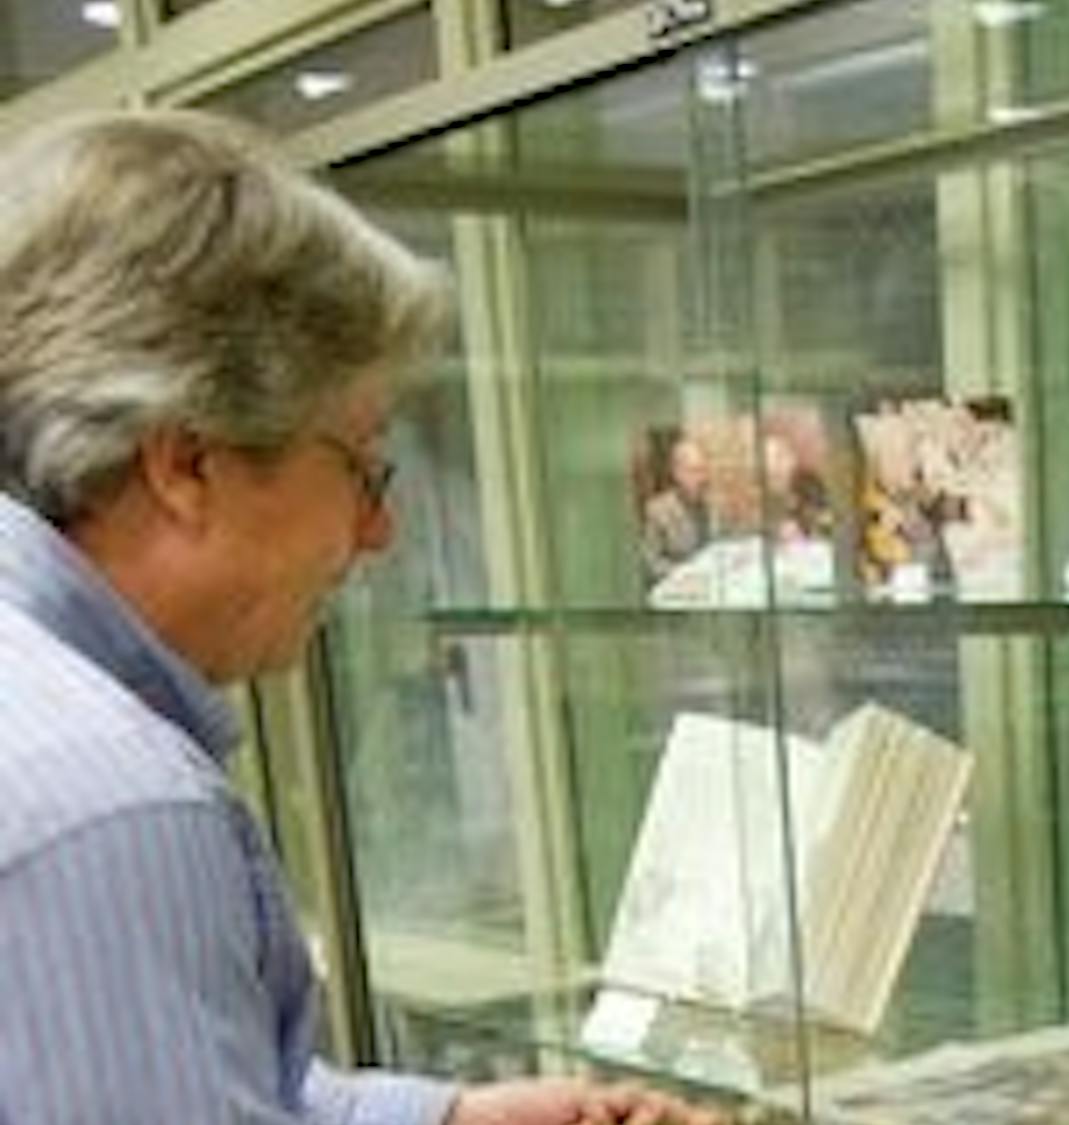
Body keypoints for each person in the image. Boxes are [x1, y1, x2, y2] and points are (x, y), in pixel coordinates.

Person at [0, 110, 720, 1125]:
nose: (378, 531)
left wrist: (451, 1119)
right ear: (186, 463)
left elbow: (175, 1075)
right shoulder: (111, 811)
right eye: (359, 463)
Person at [641, 430, 712, 583]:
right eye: (694, 471)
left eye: (704, 470)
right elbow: (651, 564)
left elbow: (713, 544)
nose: (702, 478)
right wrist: (684, 573)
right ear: (677, 473)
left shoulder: (705, 505)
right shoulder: (658, 510)